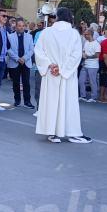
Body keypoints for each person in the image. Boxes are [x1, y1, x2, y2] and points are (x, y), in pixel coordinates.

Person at [34, 8, 92, 144]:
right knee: (68, 103)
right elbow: (76, 55)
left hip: (50, 73)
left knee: (51, 102)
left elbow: (38, 51)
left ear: (57, 17)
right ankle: (72, 132)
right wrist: (63, 69)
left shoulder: (47, 32)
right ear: (70, 18)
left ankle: (52, 132)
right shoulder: (73, 34)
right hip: (66, 75)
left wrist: (50, 65)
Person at [6, 18, 34, 108]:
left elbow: (31, 50)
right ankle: (17, 100)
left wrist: (24, 58)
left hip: (26, 62)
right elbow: (8, 49)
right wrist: (18, 58)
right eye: (19, 26)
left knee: (26, 83)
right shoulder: (10, 36)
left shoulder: (29, 36)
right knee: (16, 83)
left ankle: (27, 101)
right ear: (16, 26)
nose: (21, 27)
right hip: (15, 62)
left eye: (23, 26)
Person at [79, 28, 101, 103]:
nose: (85, 36)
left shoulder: (96, 43)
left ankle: (93, 97)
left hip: (93, 65)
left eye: (86, 34)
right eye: (84, 34)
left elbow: (97, 55)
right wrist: (83, 55)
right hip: (85, 64)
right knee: (81, 81)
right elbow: (84, 51)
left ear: (90, 34)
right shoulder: (86, 42)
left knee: (92, 81)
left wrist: (87, 56)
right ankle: (83, 96)